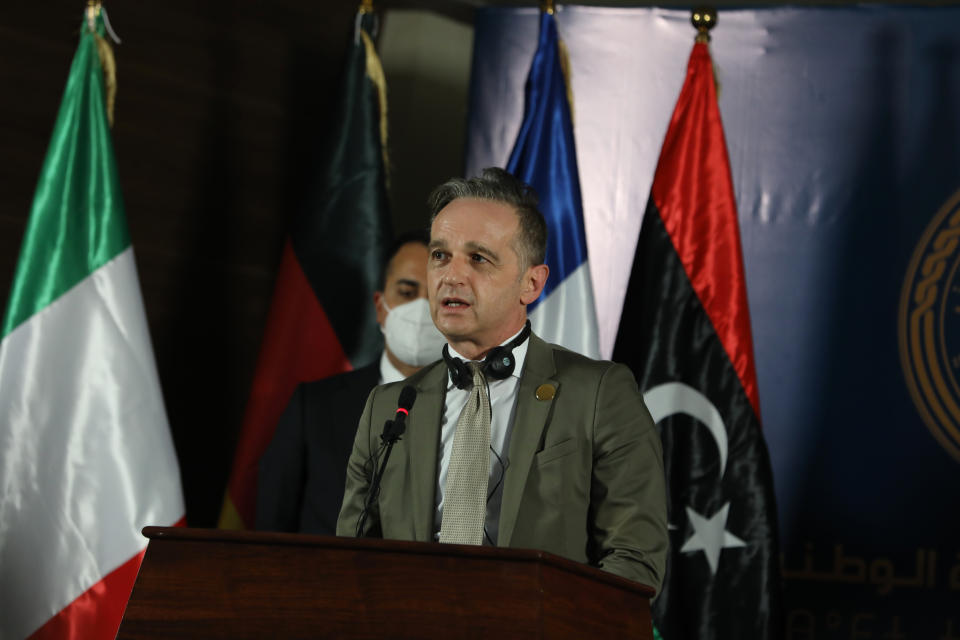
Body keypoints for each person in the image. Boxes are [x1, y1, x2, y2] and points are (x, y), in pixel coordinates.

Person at [336, 168, 668, 591]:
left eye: (478, 258)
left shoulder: (600, 393)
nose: (450, 276)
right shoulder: (389, 406)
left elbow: (635, 560)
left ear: (531, 283)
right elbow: (351, 558)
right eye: (440, 255)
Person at [256, 230, 445, 534]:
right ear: (380, 306)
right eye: (407, 292)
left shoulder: (480, 413)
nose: (422, 310)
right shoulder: (314, 407)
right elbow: (272, 528)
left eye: (437, 297)